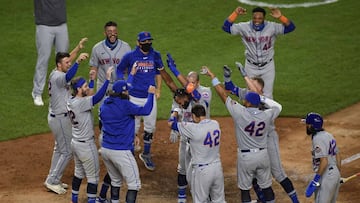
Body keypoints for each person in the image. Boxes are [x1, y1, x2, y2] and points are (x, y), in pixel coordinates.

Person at [202, 66, 282, 203]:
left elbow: (223, 95)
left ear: (249, 103)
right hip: (263, 155)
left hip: (246, 157)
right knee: (267, 187)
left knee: (245, 189)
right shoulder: (266, 115)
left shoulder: (240, 113)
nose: (243, 100)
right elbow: (278, 107)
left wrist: (212, 76)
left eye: (246, 99)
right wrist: (261, 98)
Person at [223, 63, 299, 203]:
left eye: (252, 85)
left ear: (260, 89)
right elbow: (230, 88)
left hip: (268, 139)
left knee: (278, 173)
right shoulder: (249, 95)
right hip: (257, 143)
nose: (249, 88)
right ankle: (263, 199)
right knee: (254, 176)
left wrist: (245, 76)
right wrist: (227, 78)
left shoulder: (266, 98)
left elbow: (257, 96)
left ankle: (295, 201)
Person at [89, 20, 131, 203]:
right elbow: (93, 68)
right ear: (105, 32)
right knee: (104, 117)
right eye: (109, 31)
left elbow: (130, 67)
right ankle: (106, 143)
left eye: (115, 31)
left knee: (121, 115)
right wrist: (92, 87)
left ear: (117, 31)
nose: (112, 33)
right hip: (104, 88)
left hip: (120, 87)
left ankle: (112, 143)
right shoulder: (97, 48)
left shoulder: (126, 47)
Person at [99, 78, 155, 203]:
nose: (128, 93)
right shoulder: (125, 105)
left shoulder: (105, 104)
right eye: (127, 92)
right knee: (134, 184)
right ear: (123, 93)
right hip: (121, 151)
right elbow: (146, 110)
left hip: (106, 149)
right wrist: (151, 94)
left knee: (115, 181)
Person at [222, 6, 296, 99]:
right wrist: (235, 13)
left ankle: (267, 113)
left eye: (260, 18)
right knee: (251, 94)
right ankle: (252, 113)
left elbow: (291, 27)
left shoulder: (272, 27)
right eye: (254, 18)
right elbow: (226, 27)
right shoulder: (244, 27)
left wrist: (281, 17)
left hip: (267, 66)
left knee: (268, 96)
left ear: (264, 18)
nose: (257, 20)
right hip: (251, 66)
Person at [166, 53, 212, 203]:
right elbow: (176, 109)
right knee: (183, 167)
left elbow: (194, 94)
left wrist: (174, 70)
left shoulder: (205, 93)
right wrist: (174, 127)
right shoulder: (183, 95)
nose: (189, 84)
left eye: (192, 82)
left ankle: (207, 194)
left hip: (201, 138)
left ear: (197, 83)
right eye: (188, 81)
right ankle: (181, 196)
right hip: (186, 137)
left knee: (203, 168)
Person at [116, 31, 163, 171]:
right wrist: (123, 84)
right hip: (134, 97)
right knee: (132, 127)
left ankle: (146, 154)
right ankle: (129, 154)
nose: (148, 44)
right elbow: (119, 70)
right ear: (138, 43)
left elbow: (158, 73)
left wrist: (159, 89)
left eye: (149, 41)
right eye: (145, 41)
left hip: (149, 97)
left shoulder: (155, 55)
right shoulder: (130, 56)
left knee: (150, 127)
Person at [44, 49, 89, 194]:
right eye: (66, 63)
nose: (68, 64)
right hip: (60, 118)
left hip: (57, 117)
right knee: (68, 151)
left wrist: (78, 48)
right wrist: (78, 61)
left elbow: (67, 61)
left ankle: (53, 178)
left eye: (69, 62)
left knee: (59, 149)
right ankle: (52, 180)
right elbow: (70, 74)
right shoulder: (59, 76)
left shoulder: (56, 71)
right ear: (59, 65)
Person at [67, 67, 113, 203]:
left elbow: (89, 96)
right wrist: (107, 80)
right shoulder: (82, 103)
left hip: (75, 143)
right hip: (86, 146)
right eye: (85, 86)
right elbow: (97, 97)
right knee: (93, 178)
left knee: (78, 173)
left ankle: (74, 199)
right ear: (79, 90)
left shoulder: (71, 100)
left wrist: (92, 81)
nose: (87, 88)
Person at [168, 104, 226, 203]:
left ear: (194, 116)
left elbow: (171, 123)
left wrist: (175, 112)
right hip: (217, 168)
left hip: (202, 171)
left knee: (200, 200)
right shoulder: (215, 123)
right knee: (219, 200)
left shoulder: (193, 129)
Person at [32, 0, 69, 106]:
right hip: (44, 25)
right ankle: (37, 93)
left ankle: (62, 90)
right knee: (43, 59)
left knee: (64, 59)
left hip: (61, 24)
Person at [303, 112, 341, 203]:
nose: (306, 126)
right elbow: (338, 156)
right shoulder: (328, 135)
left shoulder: (318, 138)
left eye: (307, 124)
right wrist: (338, 175)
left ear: (312, 125)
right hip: (334, 173)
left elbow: (324, 161)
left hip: (326, 176)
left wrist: (315, 180)